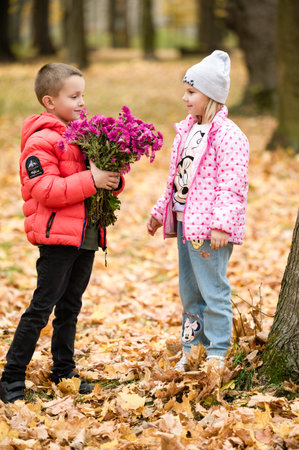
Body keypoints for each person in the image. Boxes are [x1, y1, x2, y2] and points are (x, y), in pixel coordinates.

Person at [0, 63, 124, 403]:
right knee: (42, 307)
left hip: (86, 235)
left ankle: (63, 370)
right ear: (49, 101)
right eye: (74, 96)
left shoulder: (83, 136)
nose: (82, 102)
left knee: (71, 306)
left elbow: (97, 180)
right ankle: (11, 377)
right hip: (58, 238)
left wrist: (112, 178)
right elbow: (45, 189)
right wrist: (92, 180)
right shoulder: (42, 141)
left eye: (83, 94)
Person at [147, 50, 249, 371]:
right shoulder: (187, 131)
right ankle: (194, 349)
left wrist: (222, 225)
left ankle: (218, 351)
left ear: (211, 95)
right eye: (186, 91)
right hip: (184, 225)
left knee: (213, 290)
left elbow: (232, 184)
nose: (185, 97)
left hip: (209, 230)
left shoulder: (229, 135)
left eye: (191, 92)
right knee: (190, 293)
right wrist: (159, 211)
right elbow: (177, 180)